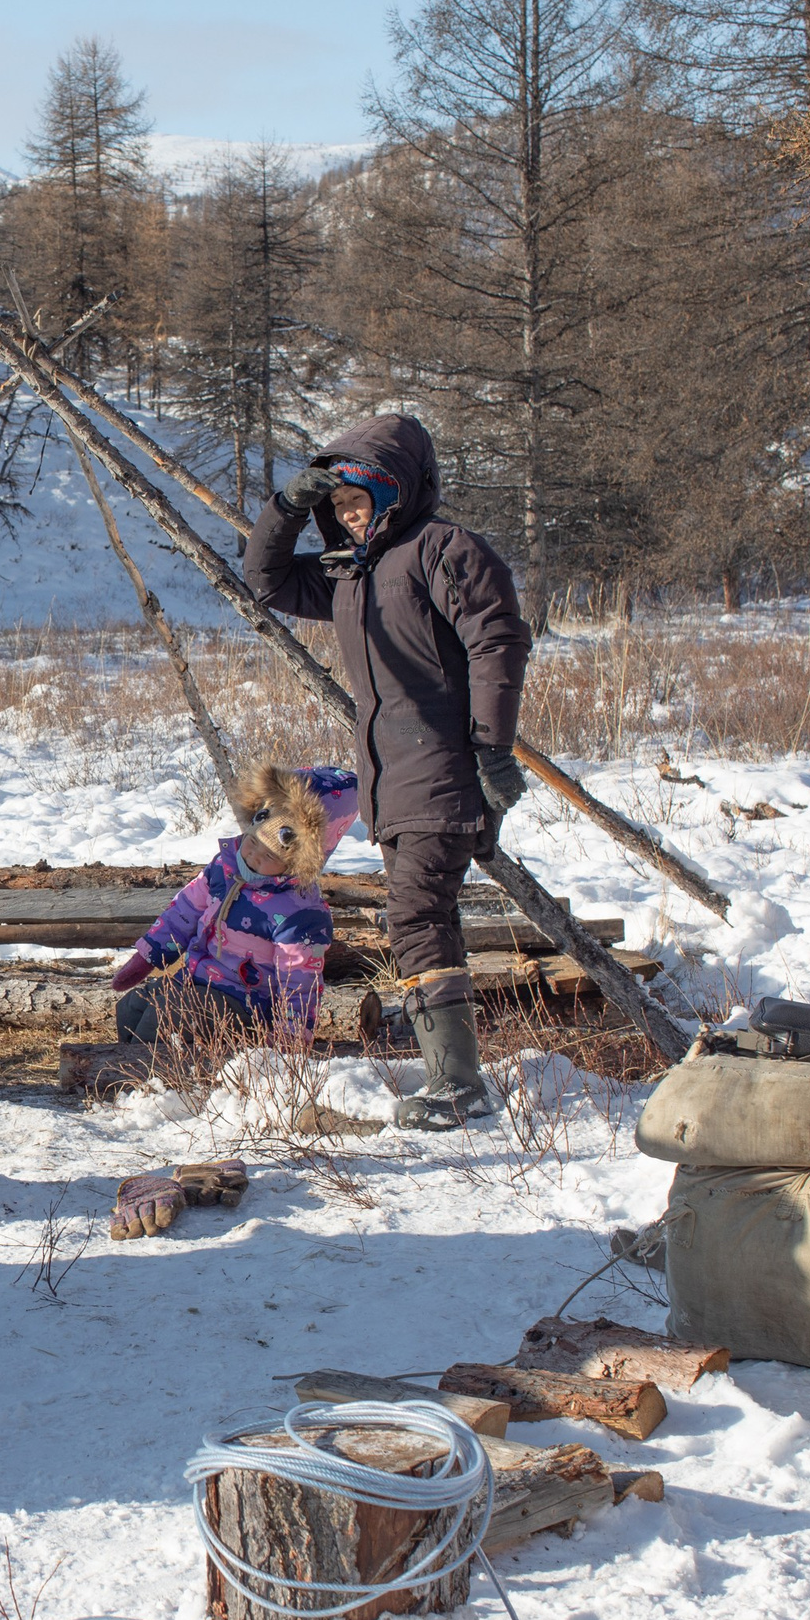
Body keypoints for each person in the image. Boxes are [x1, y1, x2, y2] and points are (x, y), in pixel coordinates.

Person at [241, 415, 533, 1129]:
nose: (347, 516)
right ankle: (452, 1074)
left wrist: (492, 749)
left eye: (359, 503)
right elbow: (265, 580)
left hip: (442, 766)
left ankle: (458, 1084)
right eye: (336, 509)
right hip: (393, 778)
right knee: (421, 914)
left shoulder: (444, 551)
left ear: (397, 494)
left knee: (417, 914)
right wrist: (283, 510)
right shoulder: (349, 574)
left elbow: (497, 642)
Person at [111, 763, 359, 1046]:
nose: (252, 855)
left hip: (245, 1002)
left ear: (295, 862)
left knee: (163, 1019)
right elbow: (183, 911)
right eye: (251, 841)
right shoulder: (224, 868)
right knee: (132, 1007)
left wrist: (290, 1033)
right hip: (194, 978)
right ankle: (125, 1065)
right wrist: (148, 956)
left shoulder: (298, 911)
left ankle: (155, 1084)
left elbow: (300, 979)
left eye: (268, 855)